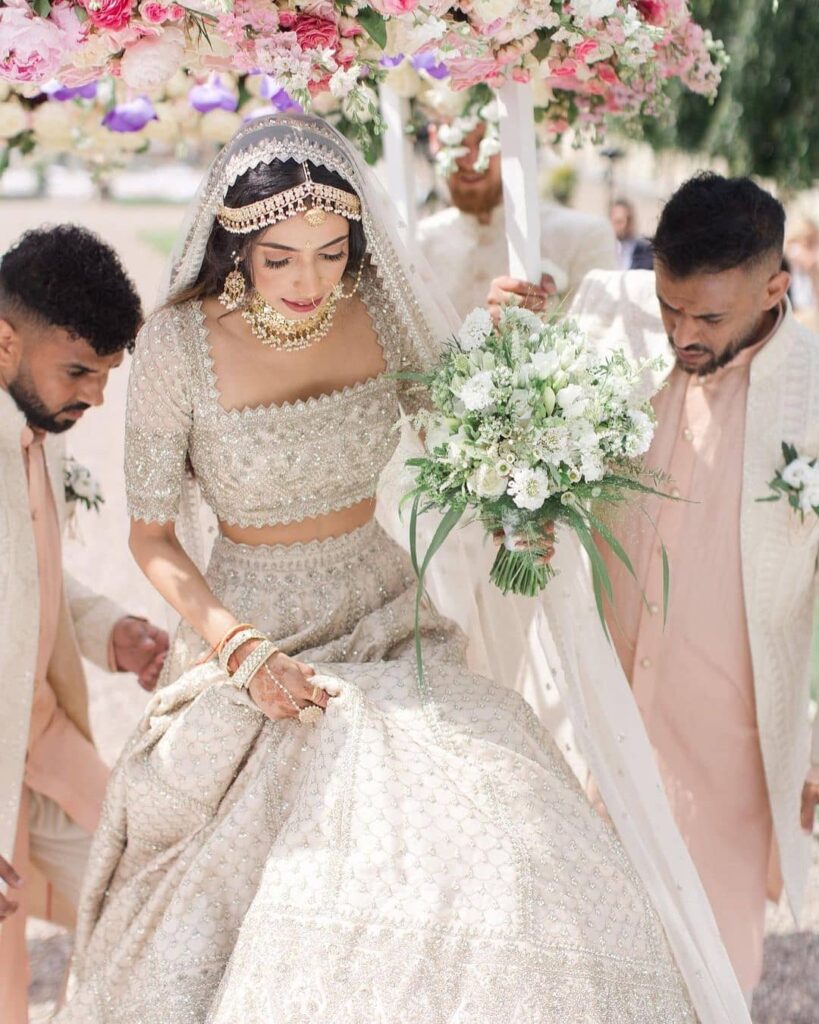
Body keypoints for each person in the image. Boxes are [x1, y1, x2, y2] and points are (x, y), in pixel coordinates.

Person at [52, 113, 733, 1024]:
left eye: (331, 252)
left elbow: (466, 424)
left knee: (489, 833)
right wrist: (238, 650)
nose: (310, 280)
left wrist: (505, 381)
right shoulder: (178, 346)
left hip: (381, 615)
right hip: (249, 635)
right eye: (281, 257)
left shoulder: (376, 306)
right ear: (236, 244)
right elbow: (152, 537)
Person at [569, 173, 819, 1008]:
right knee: (581, 954)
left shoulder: (813, 392)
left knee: (708, 971)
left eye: (707, 317)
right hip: (593, 713)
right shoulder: (605, 315)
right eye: (670, 306)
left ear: (774, 287)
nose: (681, 332)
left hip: (728, 742)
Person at [0, 225, 169, 1023]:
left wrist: (111, 632)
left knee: (161, 891)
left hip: (42, 745)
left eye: (105, 375)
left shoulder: (40, 431)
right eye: (79, 371)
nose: (96, 396)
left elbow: (28, 577)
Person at [417, 118, 616, 318]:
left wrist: (537, 316)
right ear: (436, 142)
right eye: (457, 143)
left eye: (485, 141)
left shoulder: (583, 236)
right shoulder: (417, 244)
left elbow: (598, 340)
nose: (471, 160)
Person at [610, 197, 654, 271]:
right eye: (618, 221)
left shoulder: (644, 251)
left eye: (628, 219)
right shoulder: (604, 249)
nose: (624, 225)